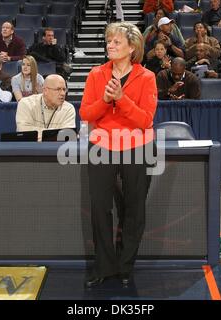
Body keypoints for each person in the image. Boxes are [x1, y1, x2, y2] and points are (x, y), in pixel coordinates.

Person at [79, 22, 157, 287]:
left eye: (115, 41)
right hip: (102, 145)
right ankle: (105, 266)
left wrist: (121, 99)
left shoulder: (146, 77)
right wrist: (106, 100)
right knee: (100, 208)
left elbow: (145, 120)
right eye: (108, 41)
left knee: (134, 209)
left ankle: (125, 266)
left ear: (132, 47)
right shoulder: (95, 74)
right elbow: (86, 114)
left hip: (138, 146)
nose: (109, 45)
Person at [16, 74, 76, 141]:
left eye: (64, 89)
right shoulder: (26, 104)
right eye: (58, 89)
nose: (62, 93)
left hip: (56, 149)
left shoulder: (68, 109)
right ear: (45, 91)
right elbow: (24, 131)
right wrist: (54, 135)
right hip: (30, 149)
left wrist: (39, 135)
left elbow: (67, 135)